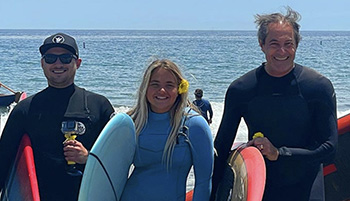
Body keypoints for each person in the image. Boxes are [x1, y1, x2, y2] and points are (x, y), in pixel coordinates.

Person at [211, 7, 337, 201]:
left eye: (288, 43)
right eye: (274, 44)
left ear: (297, 45)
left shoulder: (317, 86)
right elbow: (221, 147)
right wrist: (211, 194)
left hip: (307, 184)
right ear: (261, 45)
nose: (282, 51)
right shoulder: (242, 89)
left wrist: (279, 153)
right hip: (261, 186)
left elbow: (329, 148)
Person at [0, 33, 114, 201]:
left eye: (66, 58)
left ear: (78, 63)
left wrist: (88, 158)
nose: (58, 63)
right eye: (50, 58)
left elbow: (118, 160)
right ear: (42, 64)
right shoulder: (25, 110)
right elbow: (3, 161)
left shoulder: (99, 106)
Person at [121, 59, 214, 201]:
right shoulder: (131, 122)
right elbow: (112, 171)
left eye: (169, 85)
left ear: (179, 89)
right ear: (145, 88)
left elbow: (203, 182)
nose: (162, 90)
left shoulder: (193, 125)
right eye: (155, 84)